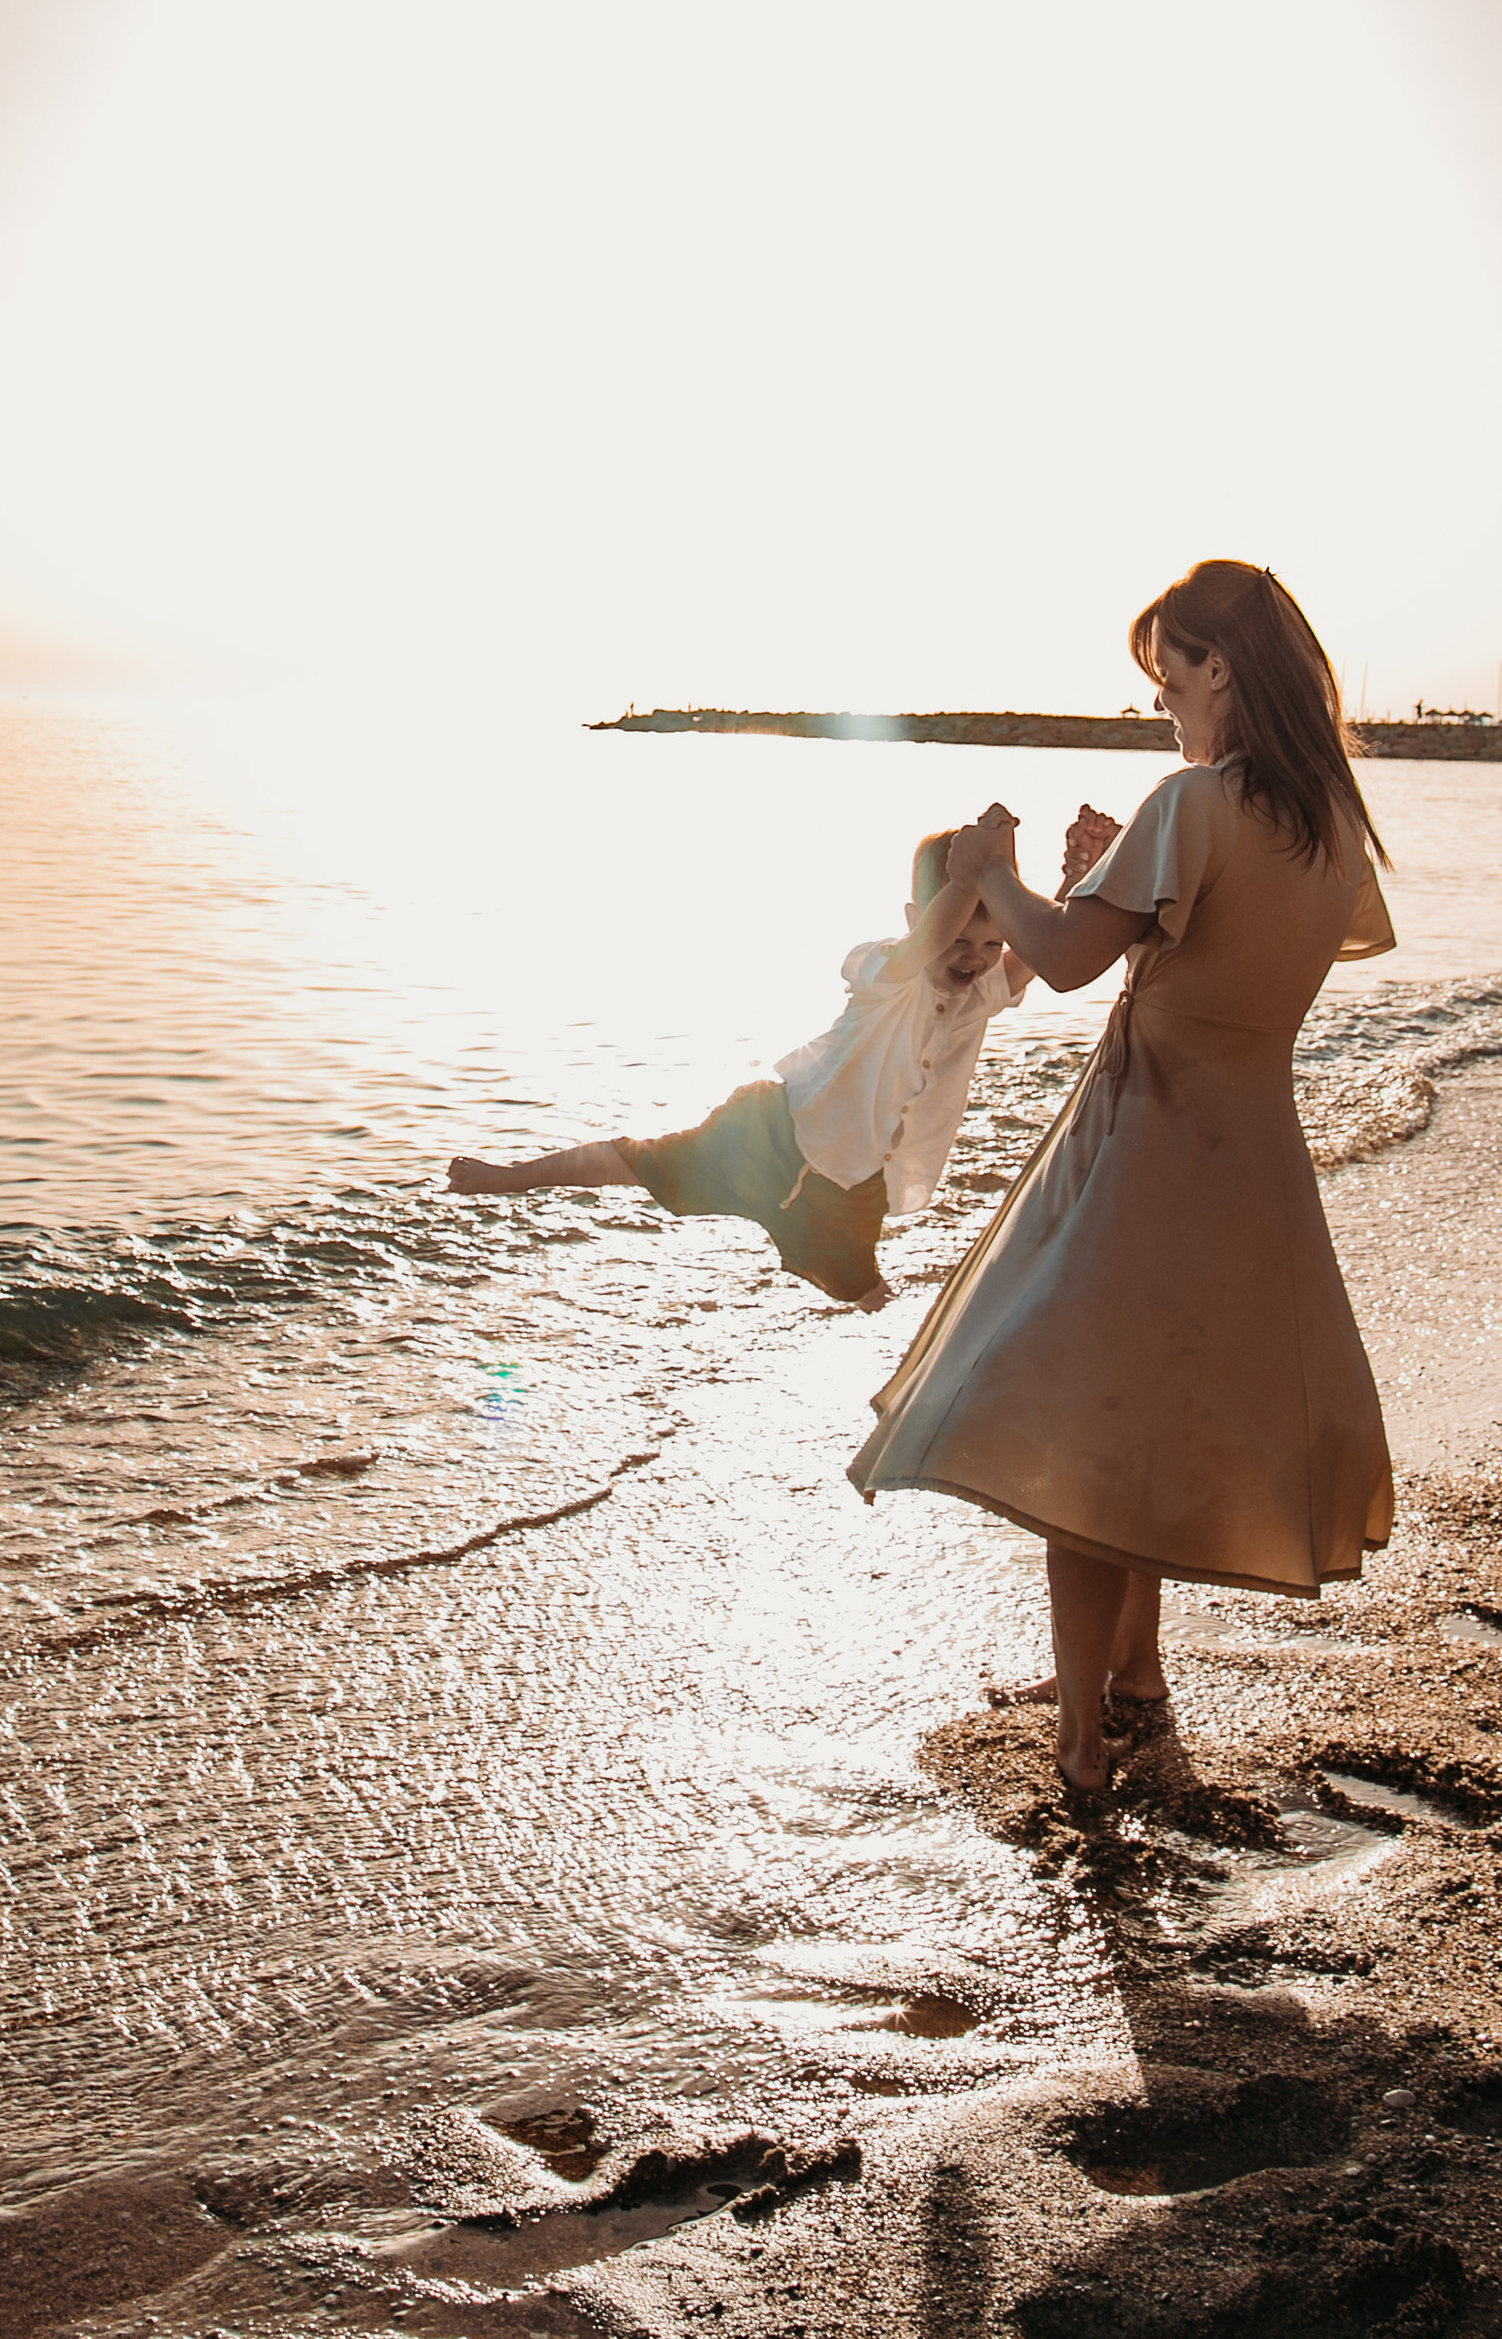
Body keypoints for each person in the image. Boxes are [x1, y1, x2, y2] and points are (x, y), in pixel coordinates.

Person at [849, 562, 1398, 1805]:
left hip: (1147, 1144)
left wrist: (990, 874)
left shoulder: (1191, 799)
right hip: (1253, 1155)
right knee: (1143, 1419)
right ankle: (1132, 1675)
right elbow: (1214, 948)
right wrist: (1109, 880)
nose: (1164, 708)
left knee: (1087, 1432)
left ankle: (1082, 1747)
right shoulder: (1327, 822)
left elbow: (1065, 961)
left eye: (1169, 679)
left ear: (1219, 667)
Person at [446, 824, 1079, 1306]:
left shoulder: (980, 993)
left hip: (855, 1181)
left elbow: (1039, 947)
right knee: (641, 1162)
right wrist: (977, 871)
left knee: (863, 1295)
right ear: (919, 922)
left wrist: (1078, 874)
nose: (977, 958)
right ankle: (512, 1176)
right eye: (961, 940)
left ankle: (863, 1345)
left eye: (991, 944)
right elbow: (926, 947)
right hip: (778, 1133)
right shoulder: (889, 970)